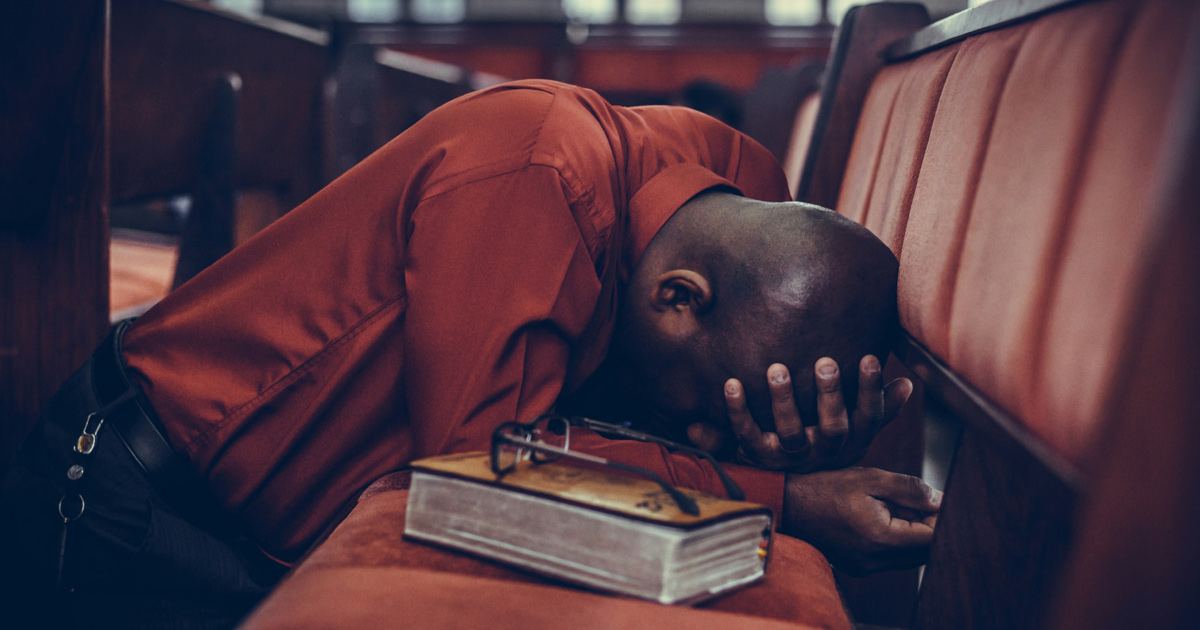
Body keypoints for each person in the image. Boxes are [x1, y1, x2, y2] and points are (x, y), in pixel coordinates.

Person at [1, 79, 938, 629]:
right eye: (701, 409)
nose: (699, 432)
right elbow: (480, 480)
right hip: (130, 511)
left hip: (270, 529)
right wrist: (782, 498)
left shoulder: (737, 186)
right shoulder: (539, 176)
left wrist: (784, 444)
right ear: (678, 299)